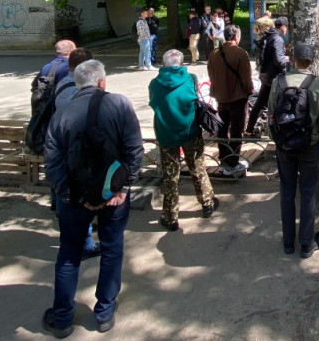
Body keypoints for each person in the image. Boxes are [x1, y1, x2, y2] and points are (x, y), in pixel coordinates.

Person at [42, 59, 144, 337]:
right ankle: (104, 311)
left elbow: (52, 164)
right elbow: (134, 151)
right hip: (114, 197)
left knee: (69, 253)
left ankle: (62, 318)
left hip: (74, 199)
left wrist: (71, 195)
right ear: (101, 81)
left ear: (77, 83)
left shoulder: (61, 113)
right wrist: (122, 189)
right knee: (111, 248)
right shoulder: (120, 105)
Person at [269, 44, 319, 258]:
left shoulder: (279, 81)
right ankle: (306, 243)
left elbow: (271, 113)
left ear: (292, 59)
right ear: (312, 61)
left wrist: (275, 139)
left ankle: (288, 242)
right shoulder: (318, 84)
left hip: (284, 144)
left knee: (286, 190)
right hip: (309, 144)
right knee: (307, 191)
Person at [149, 50, 218, 232]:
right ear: (181, 63)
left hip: (166, 133)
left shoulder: (154, 84)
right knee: (197, 167)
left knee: (170, 175)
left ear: (163, 65)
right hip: (190, 130)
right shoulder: (191, 78)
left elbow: (154, 102)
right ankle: (207, 203)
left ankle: (170, 216)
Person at [52, 47, 101, 259]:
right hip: (78, 152)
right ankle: (84, 243)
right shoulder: (78, 92)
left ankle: (79, 232)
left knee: (69, 198)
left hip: (63, 149)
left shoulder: (62, 83)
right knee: (79, 198)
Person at [207, 24, 254, 176]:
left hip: (221, 98)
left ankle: (223, 158)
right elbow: (246, 79)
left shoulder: (214, 53)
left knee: (221, 128)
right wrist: (250, 91)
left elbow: (211, 75)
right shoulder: (240, 53)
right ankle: (233, 161)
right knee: (236, 130)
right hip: (238, 97)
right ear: (236, 37)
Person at [246, 17, 287, 136]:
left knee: (259, 104)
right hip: (275, 78)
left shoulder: (267, 37)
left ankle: (249, 130)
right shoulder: (278, 38)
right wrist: (289, 64)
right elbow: (279, 60)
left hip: (265, 76)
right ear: (283, 27)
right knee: (278, 105)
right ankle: (276, 132)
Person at [32, 40, 75, 111]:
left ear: (55, 52)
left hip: (45, 109)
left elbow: (34, 86)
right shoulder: (70, 68)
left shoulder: (45, 67)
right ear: (73, 52)